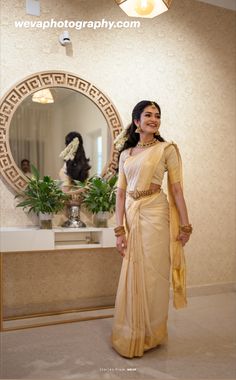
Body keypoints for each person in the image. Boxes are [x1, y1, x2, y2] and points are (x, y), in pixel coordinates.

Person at [111, 100, 192, 358]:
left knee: (153, 275)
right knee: (133, 272)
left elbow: (177, 189)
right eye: (148, 115)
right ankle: (132, 331)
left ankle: (151, 333)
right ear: (136, 122)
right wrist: (119, 229)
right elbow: (120, 194)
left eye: (157, 115)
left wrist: (185, 224)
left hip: (156, 213)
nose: (154, 119)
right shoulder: (126, 154)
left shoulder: (166, 149)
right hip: (133, 215)